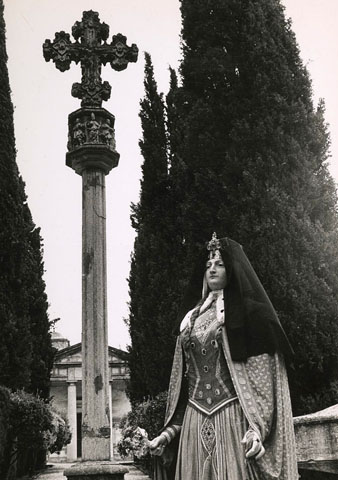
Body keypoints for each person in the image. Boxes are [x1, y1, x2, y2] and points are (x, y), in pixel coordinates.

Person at [150, 233, 298, 480]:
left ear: (232, 270)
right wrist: (167, 434)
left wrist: (256, 428)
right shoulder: (190, 320)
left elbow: (262, 381)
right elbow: (184, 385)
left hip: (232, 419)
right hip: (194, 421)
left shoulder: (250, 315)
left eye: (219, 264)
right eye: (208, 265)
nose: (212, 269)